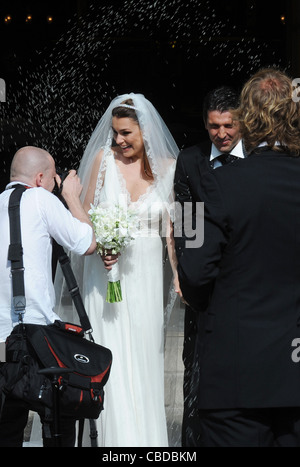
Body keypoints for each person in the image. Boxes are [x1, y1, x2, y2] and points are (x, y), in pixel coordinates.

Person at [176, 67, 300, 447]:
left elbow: (193, 275)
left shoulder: (214, 181)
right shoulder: (197, 167)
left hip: (236, 372)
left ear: (247, 117)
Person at [56, 93, 180, 447]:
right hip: (103, 274)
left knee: (142, 360)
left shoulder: (170, 167)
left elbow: (174, 231)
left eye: (126, 132)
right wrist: (99, 248)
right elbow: (82, 214)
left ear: (145, 130)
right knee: (107, 356)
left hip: (144, 278)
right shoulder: (103, 160)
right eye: (115, 133)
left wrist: (180, 276)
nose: (119, 140)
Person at [0, 146, 96, 447]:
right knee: (59, 420)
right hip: (37, 337)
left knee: (6, 427)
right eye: (53, 178)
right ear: (40, 178)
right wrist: (70, 197)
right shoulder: (41, 197)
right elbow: (87, 243)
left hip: (1, 342)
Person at [174, 85, 245, 446]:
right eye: (214, 126)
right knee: (197, 369)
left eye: (229, 125)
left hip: (250, 284)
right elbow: (186, 228)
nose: (222, 134)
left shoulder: (263, 161)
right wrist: (190, 278)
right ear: (205, 124)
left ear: (243, 122)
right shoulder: (190, 161)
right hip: (205, 283)